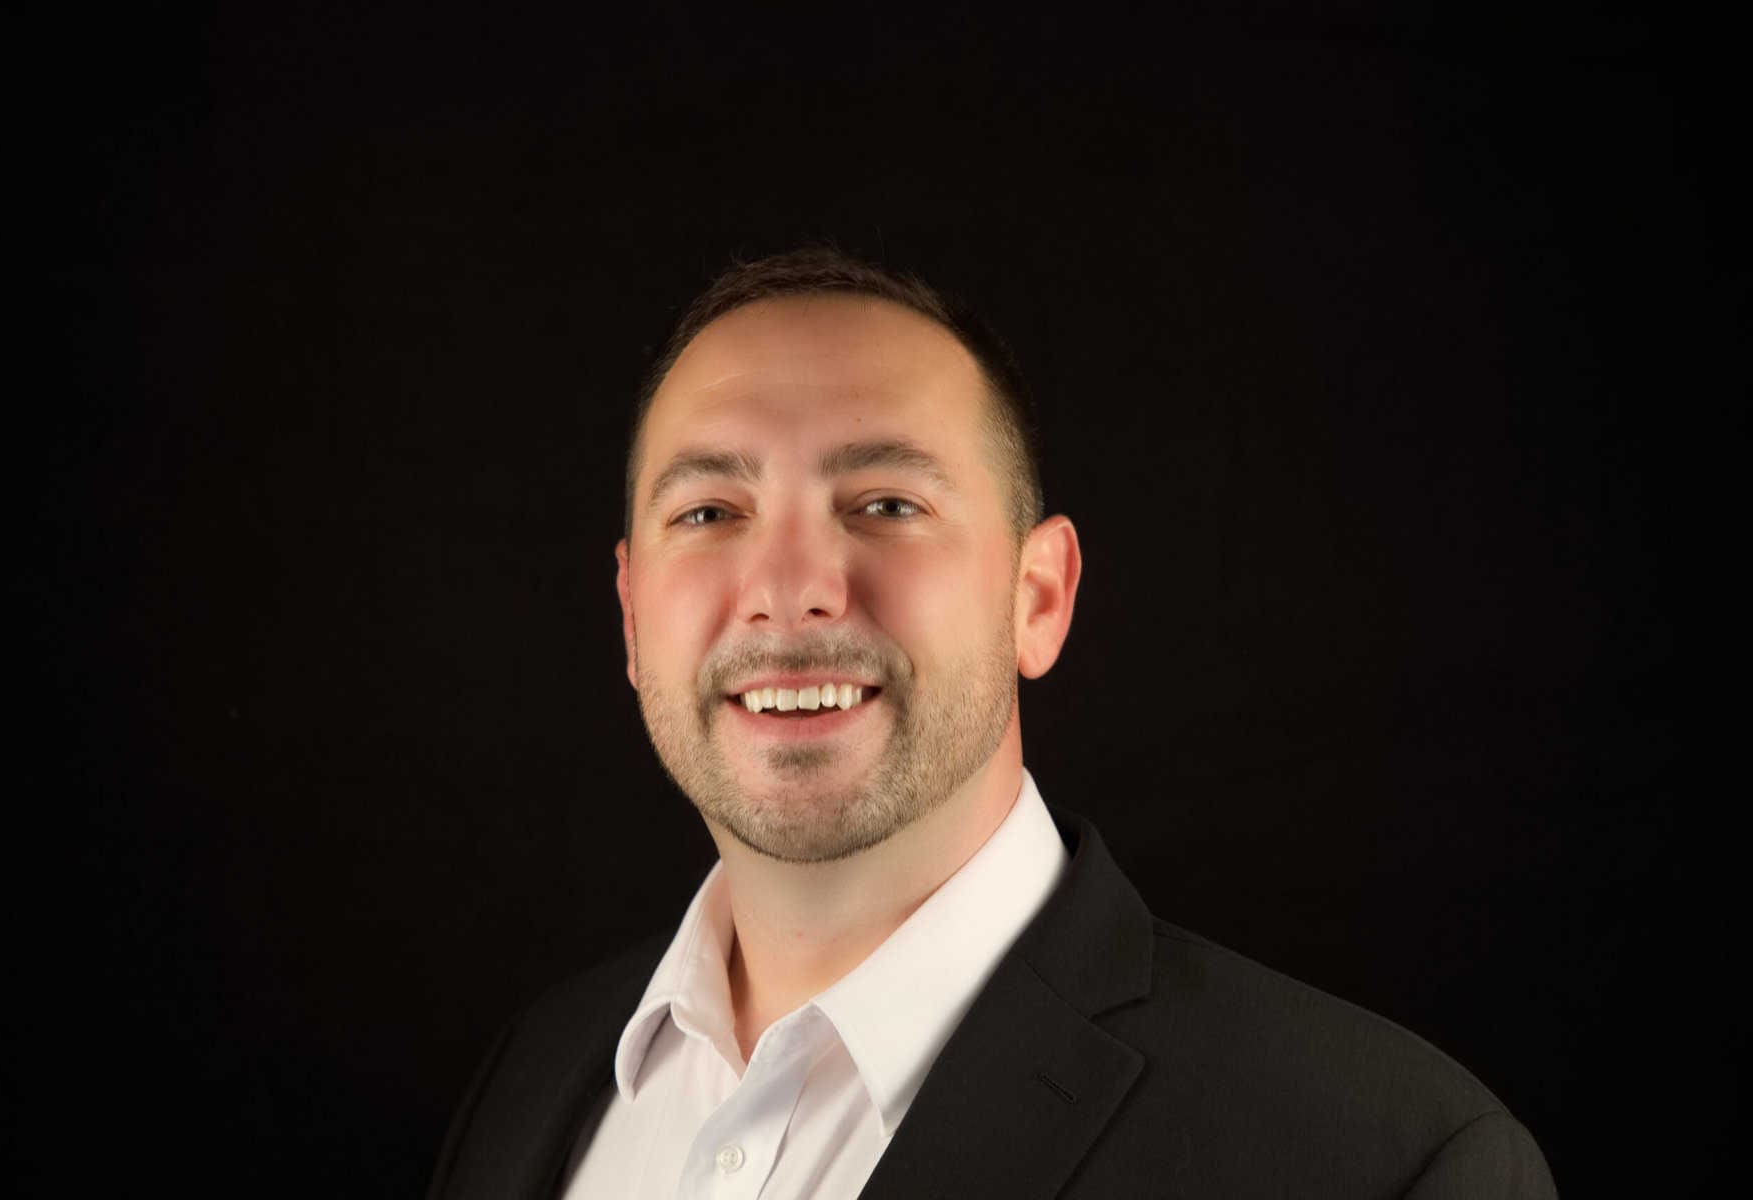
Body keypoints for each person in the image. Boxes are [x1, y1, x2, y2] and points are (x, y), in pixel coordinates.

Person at [428, 248, 1556, 1199]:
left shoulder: (1386, 1163)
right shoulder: (535, 1078)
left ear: (1039, 599)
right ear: (632, 615)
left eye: (885, 504)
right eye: (711, 511)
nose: (787, 587)